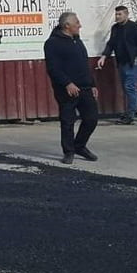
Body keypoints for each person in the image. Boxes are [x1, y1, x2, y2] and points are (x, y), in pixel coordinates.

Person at [43, 11, 99, 164]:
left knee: (91, 119)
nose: (80, 25)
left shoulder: (77, 41)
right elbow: (53, 68)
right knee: (68, 121)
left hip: (85, 87)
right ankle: (69, 152)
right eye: (77, 23)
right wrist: (67, 83)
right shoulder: (52, 43)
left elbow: (84, 65)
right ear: (67, 26)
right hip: (66, 89)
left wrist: (92, 83)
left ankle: (79, 145)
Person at [96, 5, 137, 125]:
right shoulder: (115, 28)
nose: (117, 16)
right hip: (122, 62)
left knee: (129, 86)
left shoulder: (135, 27)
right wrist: (104, 56)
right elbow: (111, 44)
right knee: (129, 88)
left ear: (126, 14)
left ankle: (130, 115)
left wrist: (136, 57)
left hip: (136, 62)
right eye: (116, 14)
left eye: (120, 14)